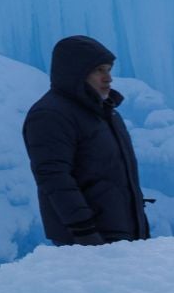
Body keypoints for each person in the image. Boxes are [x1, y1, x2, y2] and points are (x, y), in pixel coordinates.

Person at [22, 35, 151, 246]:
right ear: (75, 72)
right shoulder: (50, 115)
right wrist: (85, 233)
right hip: (88, 242)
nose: (108, 78)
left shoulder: (105, 113)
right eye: (98, 70)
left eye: (109, 69)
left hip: (124, 237)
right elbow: (54, 177)